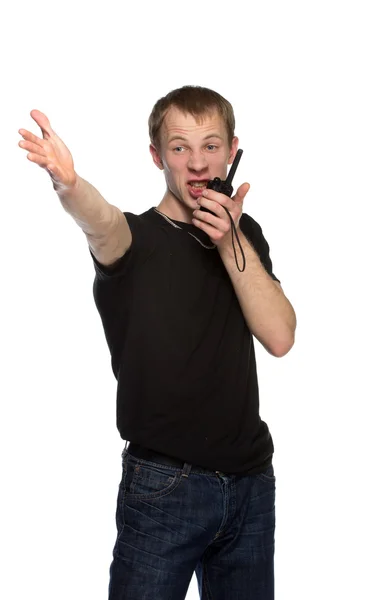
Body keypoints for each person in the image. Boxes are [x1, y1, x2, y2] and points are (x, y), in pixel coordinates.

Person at [18, 85, 296, 600]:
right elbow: (103, 224)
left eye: (211, 146)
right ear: (156, 156)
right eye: (179, 147)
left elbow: (280, 336)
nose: (196, 163)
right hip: (166, 487)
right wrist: (70, 184)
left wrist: (230, 238)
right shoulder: (138, 239)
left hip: (252, 486)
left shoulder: (245, 234)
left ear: (233, 151)